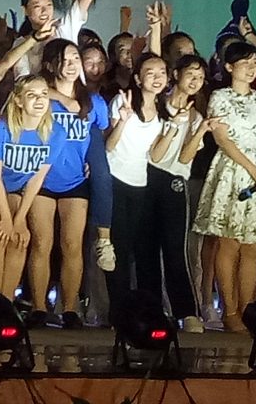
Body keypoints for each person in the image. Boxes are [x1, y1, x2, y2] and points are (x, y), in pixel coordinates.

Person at [0, 74, 64, 299]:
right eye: (31, 95)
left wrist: (19, 220)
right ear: (18, 100)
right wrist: (6, 219)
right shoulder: (2, 128)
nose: (39, 100)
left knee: (19, 238)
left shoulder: (56, 133)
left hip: (13, 186)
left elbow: (36, 179)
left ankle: (6, 303)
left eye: (43, 95)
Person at [32, 40, 108, 329]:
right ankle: (39, 307)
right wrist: (61, 100)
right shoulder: (41, 97)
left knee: (72, 245)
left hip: (76, 181)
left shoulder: (94, 101)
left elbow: (102, 140)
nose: (72, 64)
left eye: (75, 57)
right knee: (41, 243)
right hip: (41, 179)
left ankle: (70, 308)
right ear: (52, 64)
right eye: (64, 59)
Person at [192, 42, 256, 333]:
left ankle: (247, 310)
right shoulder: (220, 97)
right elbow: (222, 139)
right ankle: (229, 310)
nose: (251, 67)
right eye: (245, 63)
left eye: (254, 63)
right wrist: (253, 169)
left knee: (252, 247)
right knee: (228, 242)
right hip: (233, 171)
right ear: (230, 67)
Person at [137, 54, 211, 334]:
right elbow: (153, 152)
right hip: (145, 176)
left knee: (175, 249)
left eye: (201, 78)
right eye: (191, 75)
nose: (195, 81)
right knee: (144, 249)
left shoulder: (196, 115)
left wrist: (199, 130)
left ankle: (186, 312)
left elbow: (184, 159)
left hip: (174, 182)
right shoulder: (157, 104)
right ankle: (150, 309)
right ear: (175, 74)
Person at [103, 53, 169, 325]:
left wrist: (173, 129)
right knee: (115, 247)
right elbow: (109, 145)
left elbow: (156, 156)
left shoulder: (164, 109)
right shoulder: (124, 101)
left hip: (139, 182)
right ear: (138, 78)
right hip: (115, 179)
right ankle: (117, 311)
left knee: (132, 247)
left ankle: (135, 308)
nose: (157, 77)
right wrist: (123, 120)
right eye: (150, 73)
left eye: (162, 72)